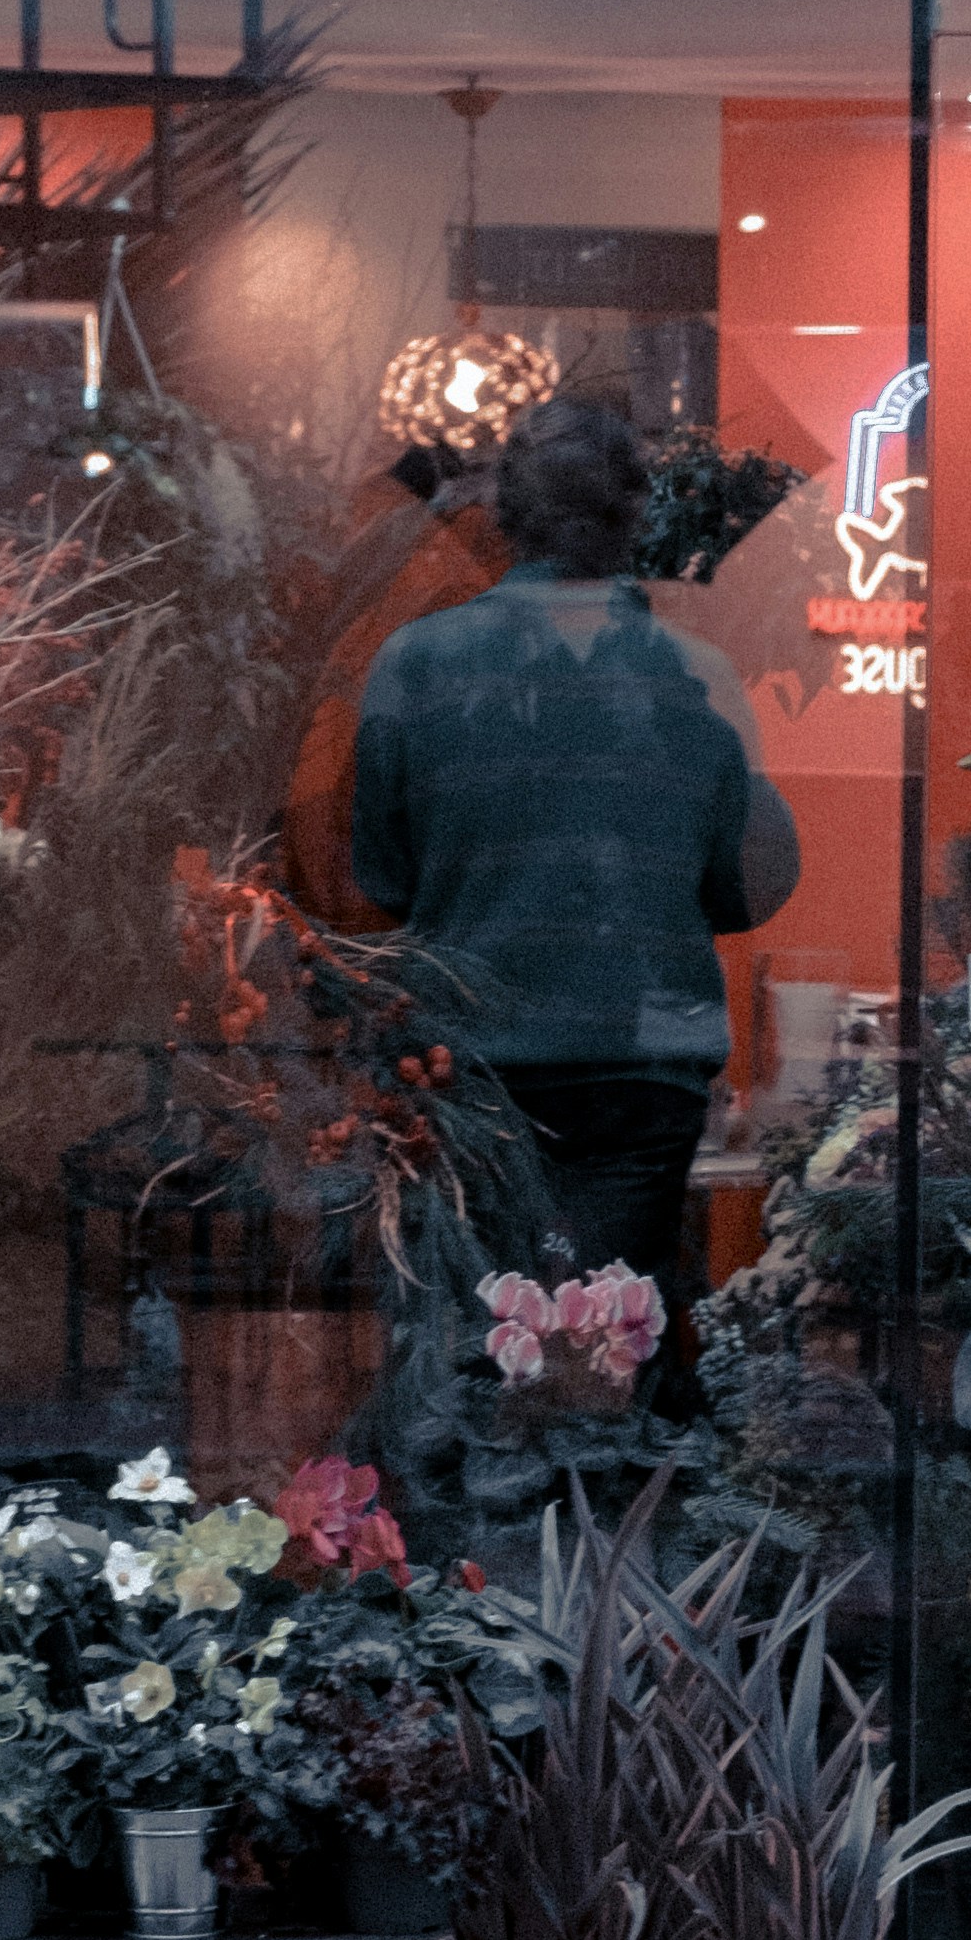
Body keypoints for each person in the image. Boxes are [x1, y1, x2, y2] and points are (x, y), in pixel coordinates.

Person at [349, 398, 800, 1363]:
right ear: (633, 518)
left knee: (481, 1345)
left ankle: (488, 1506)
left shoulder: (413, 665)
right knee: (609, 1347)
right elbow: (745, 888)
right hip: (640, 1064)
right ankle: (603, 1502)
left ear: (505, 517)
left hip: (472, 1064)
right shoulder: (696, 673)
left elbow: (381, 876)